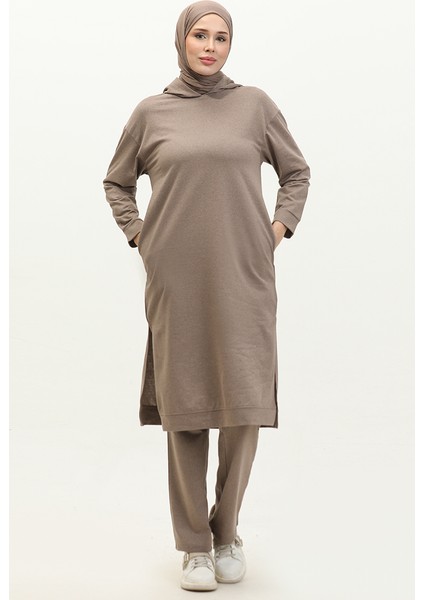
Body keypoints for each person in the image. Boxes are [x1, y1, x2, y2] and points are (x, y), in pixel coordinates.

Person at [103, 0, 310, 592]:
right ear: (182, 40)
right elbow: (117, 182)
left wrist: (277, 229)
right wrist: (141, 235)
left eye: (221, 37)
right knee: (188, 409)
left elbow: (296, 173)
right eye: (200, 35)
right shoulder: (152, 112)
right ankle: (194, 546)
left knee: (244, 407)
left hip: (245, 276)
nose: (210, 46)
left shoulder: (255, 106)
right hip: (177, 280)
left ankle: (227, 532)